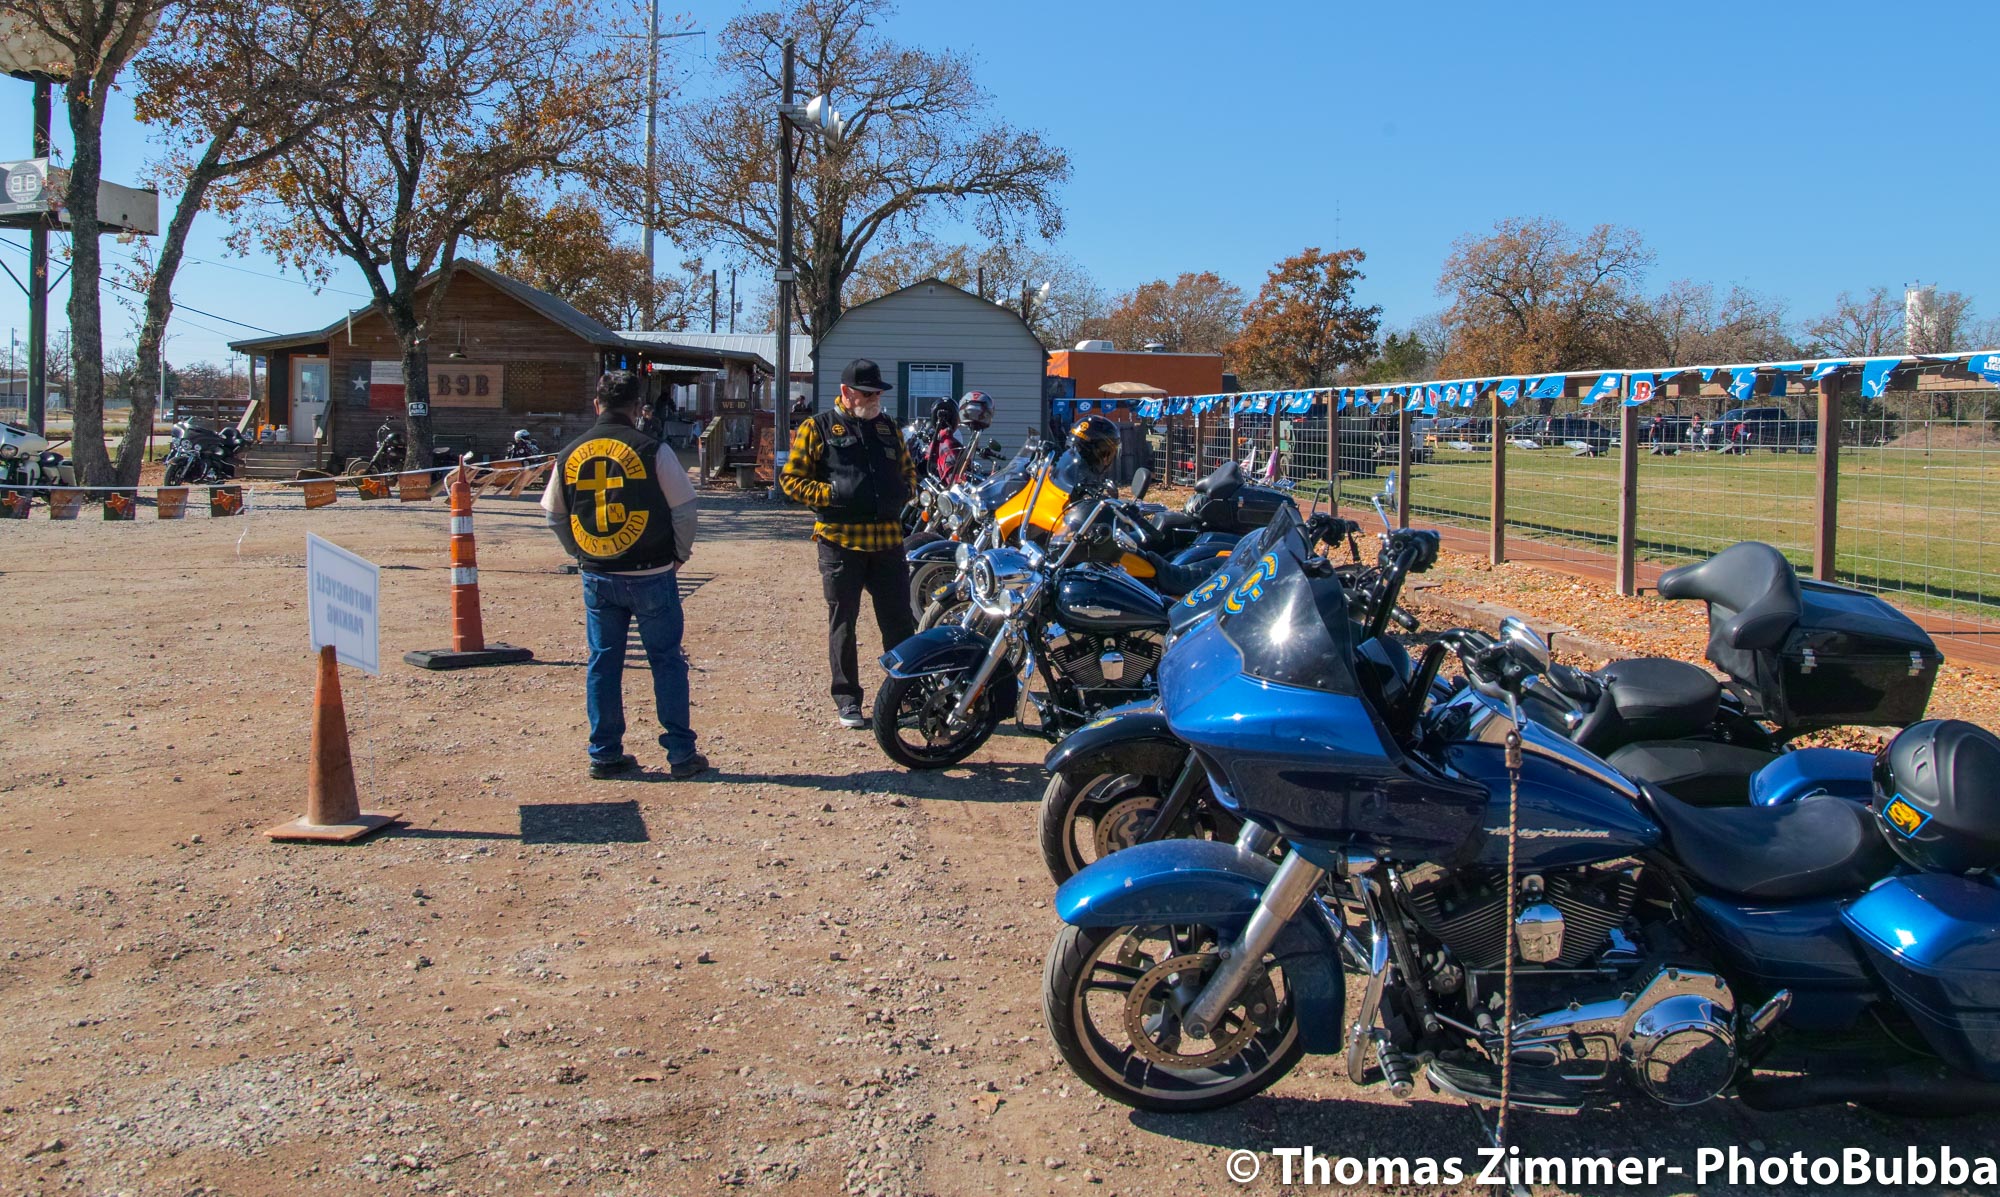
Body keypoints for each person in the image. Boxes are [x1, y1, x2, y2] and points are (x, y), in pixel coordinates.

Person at [543, 370, 708, 780]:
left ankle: (604, 753)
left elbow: (554, 515)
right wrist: (679, 555)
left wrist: (580, 552)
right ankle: (681, 754)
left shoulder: (570, 454)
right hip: (652, 571)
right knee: (667, 661)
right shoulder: (653, 449)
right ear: (637, 408)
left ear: (596, 405)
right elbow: (685, 509)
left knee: (603, 662)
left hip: (599, 574)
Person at [780, 358, 919, 728]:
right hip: (840, 542)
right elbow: (791, 480)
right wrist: (831, 494)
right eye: (867, 393)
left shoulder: (889, 429)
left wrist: (903, 491)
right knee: (844, 622)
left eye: (878, 393)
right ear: (846, 392)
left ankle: (906, 696)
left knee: (899, 622)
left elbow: (910, 473)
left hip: (888, 541)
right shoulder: (818, 428)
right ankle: (847, 700)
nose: (874, 399)